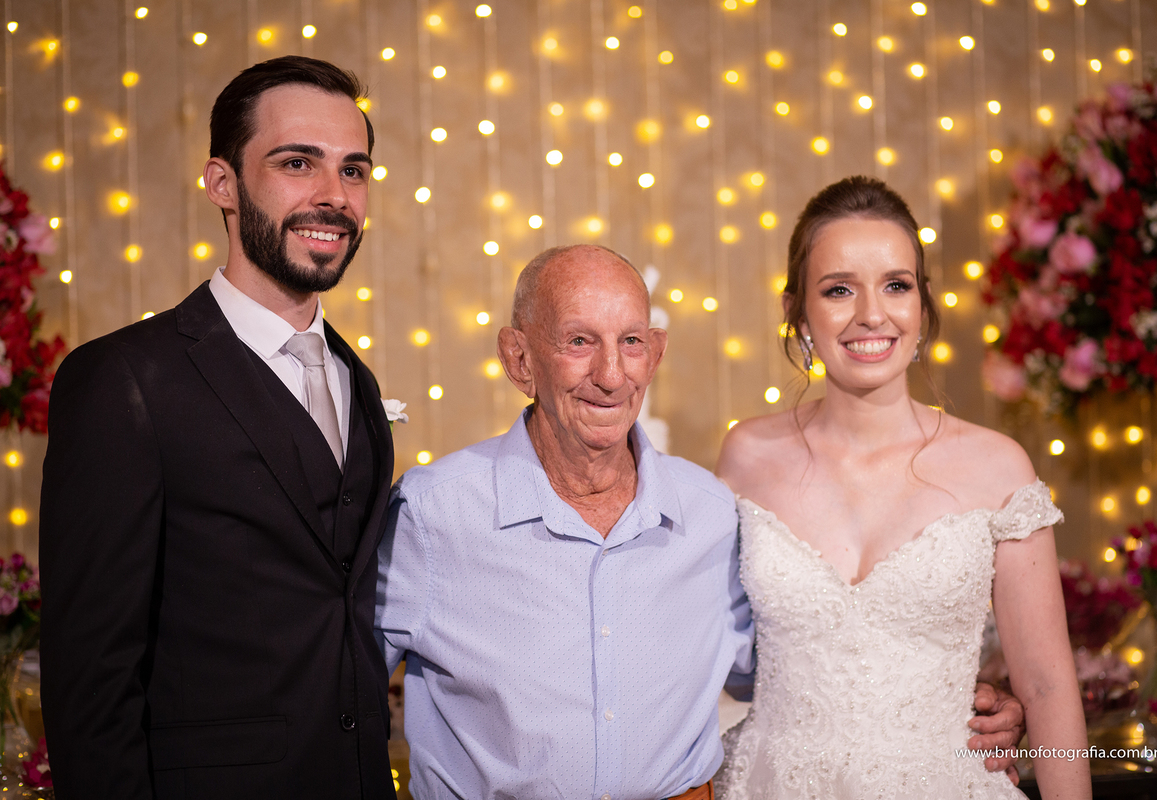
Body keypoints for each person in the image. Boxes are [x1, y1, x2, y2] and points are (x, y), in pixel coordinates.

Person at [375, 243, 1025, 800]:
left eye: (631, 342)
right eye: (578, 341)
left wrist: (953, 701)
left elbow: (799, 664)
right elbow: (338, 696)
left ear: (655, 354)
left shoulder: (709, 512)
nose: (610, 374)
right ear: (519, 359)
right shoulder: (434, 514)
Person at [40, 56, 398, 799]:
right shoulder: (124, 379)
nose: (334, 196)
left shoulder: (356, 381)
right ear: (222, 183)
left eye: (353, 170)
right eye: (297, 163)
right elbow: (90, 683)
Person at [713, 176, 1090, 799]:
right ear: (797, 312)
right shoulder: (747, 456)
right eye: (839, 289)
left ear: (922, 304)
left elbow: (1048, 688)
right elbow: (704, 651)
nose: (872, 314)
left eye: (896, 285)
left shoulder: (998, 468)